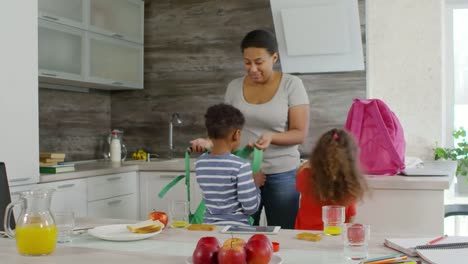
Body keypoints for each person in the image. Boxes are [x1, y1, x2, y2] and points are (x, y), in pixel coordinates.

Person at [191, 29, 309, 229]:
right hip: (241, 173)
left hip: (281, 174)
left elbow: (300, 133)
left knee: (283, 234)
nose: (252, 68)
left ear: (274, 57)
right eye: (247, 62)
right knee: (238, 232)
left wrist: (272, 136)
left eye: (259, 62)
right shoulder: (234, 87)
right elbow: (224, 127)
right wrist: (207, 142)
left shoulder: (292, 85)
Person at [195, 103, 263, 226]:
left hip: (209, 228)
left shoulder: (200, 163)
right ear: (237, 134)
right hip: (236, 230)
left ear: (209, 133)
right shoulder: (241, 166)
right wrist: (255, 185)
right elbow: (250, 207)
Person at [295, 128, 368, 230]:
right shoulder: (349, 183)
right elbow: (351, 215)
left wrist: (313, 162)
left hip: (305, 235)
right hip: (333, 235)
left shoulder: (305, 175)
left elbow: (299, 175)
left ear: (317, 154)